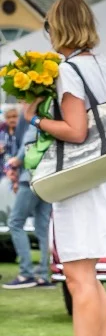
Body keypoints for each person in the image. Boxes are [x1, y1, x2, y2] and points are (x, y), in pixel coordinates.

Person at [24, 0, 106, 336]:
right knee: (90, 276)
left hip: (81, 181)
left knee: (79, 279)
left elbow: (76, 130)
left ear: (59, 28)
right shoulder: (105, 66)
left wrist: (34, 117)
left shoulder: (69, 70)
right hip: (105, 178)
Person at [4, 120, 51, 290]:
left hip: (30, 178)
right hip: (47, 177)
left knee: (15, 223)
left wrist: (14, 162)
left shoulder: (34, 121)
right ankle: (44, 275)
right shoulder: (49, 118)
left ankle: (26, 273)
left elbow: (28, 145)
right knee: (43, 226)